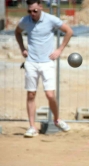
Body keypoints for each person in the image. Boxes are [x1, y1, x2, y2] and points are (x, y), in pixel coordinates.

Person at [15, 0, 73, 137]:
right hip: (31, 62)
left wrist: (59, 50)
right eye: (29, 11)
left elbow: (69, 31)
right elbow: (17, 32)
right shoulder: (25, 21)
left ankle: (57, 119)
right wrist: (22, 48)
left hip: (47, 62)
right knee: (31, 94)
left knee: (50, 95)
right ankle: (32, 127)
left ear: (40, 7)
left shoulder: (51, 19)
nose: (32, 14)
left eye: (35, 10)